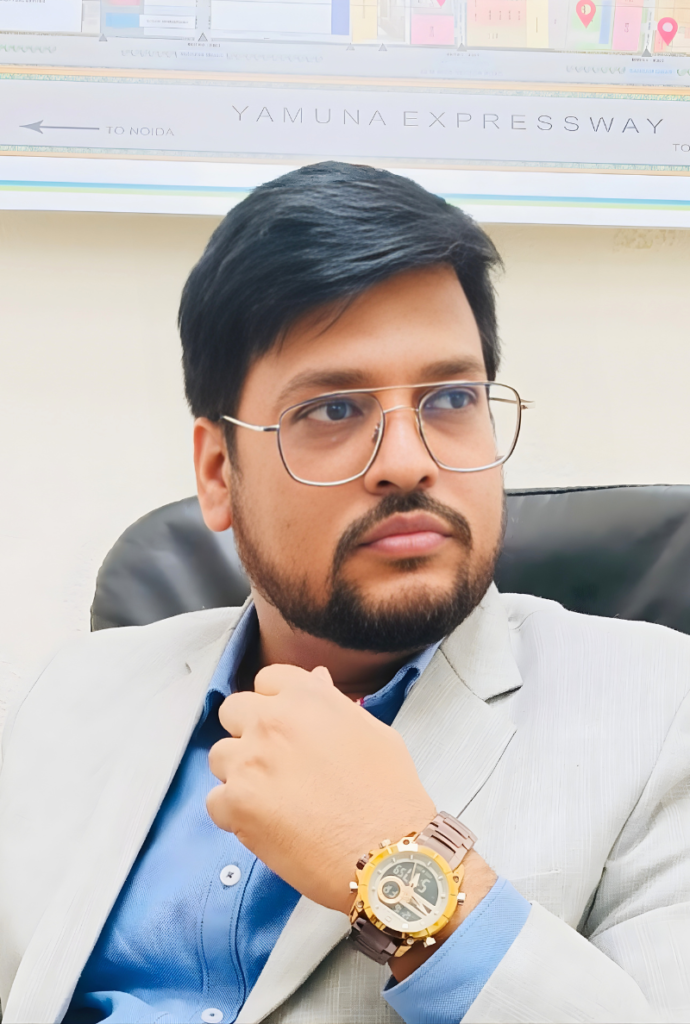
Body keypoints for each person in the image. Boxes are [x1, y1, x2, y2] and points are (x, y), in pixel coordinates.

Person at [0, 162, 688, 1024]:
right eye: (332, 411)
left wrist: (398, 865)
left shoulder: (663, 710)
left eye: (451, 398)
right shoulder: (64, 695)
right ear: (217, 472)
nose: (408, 460)